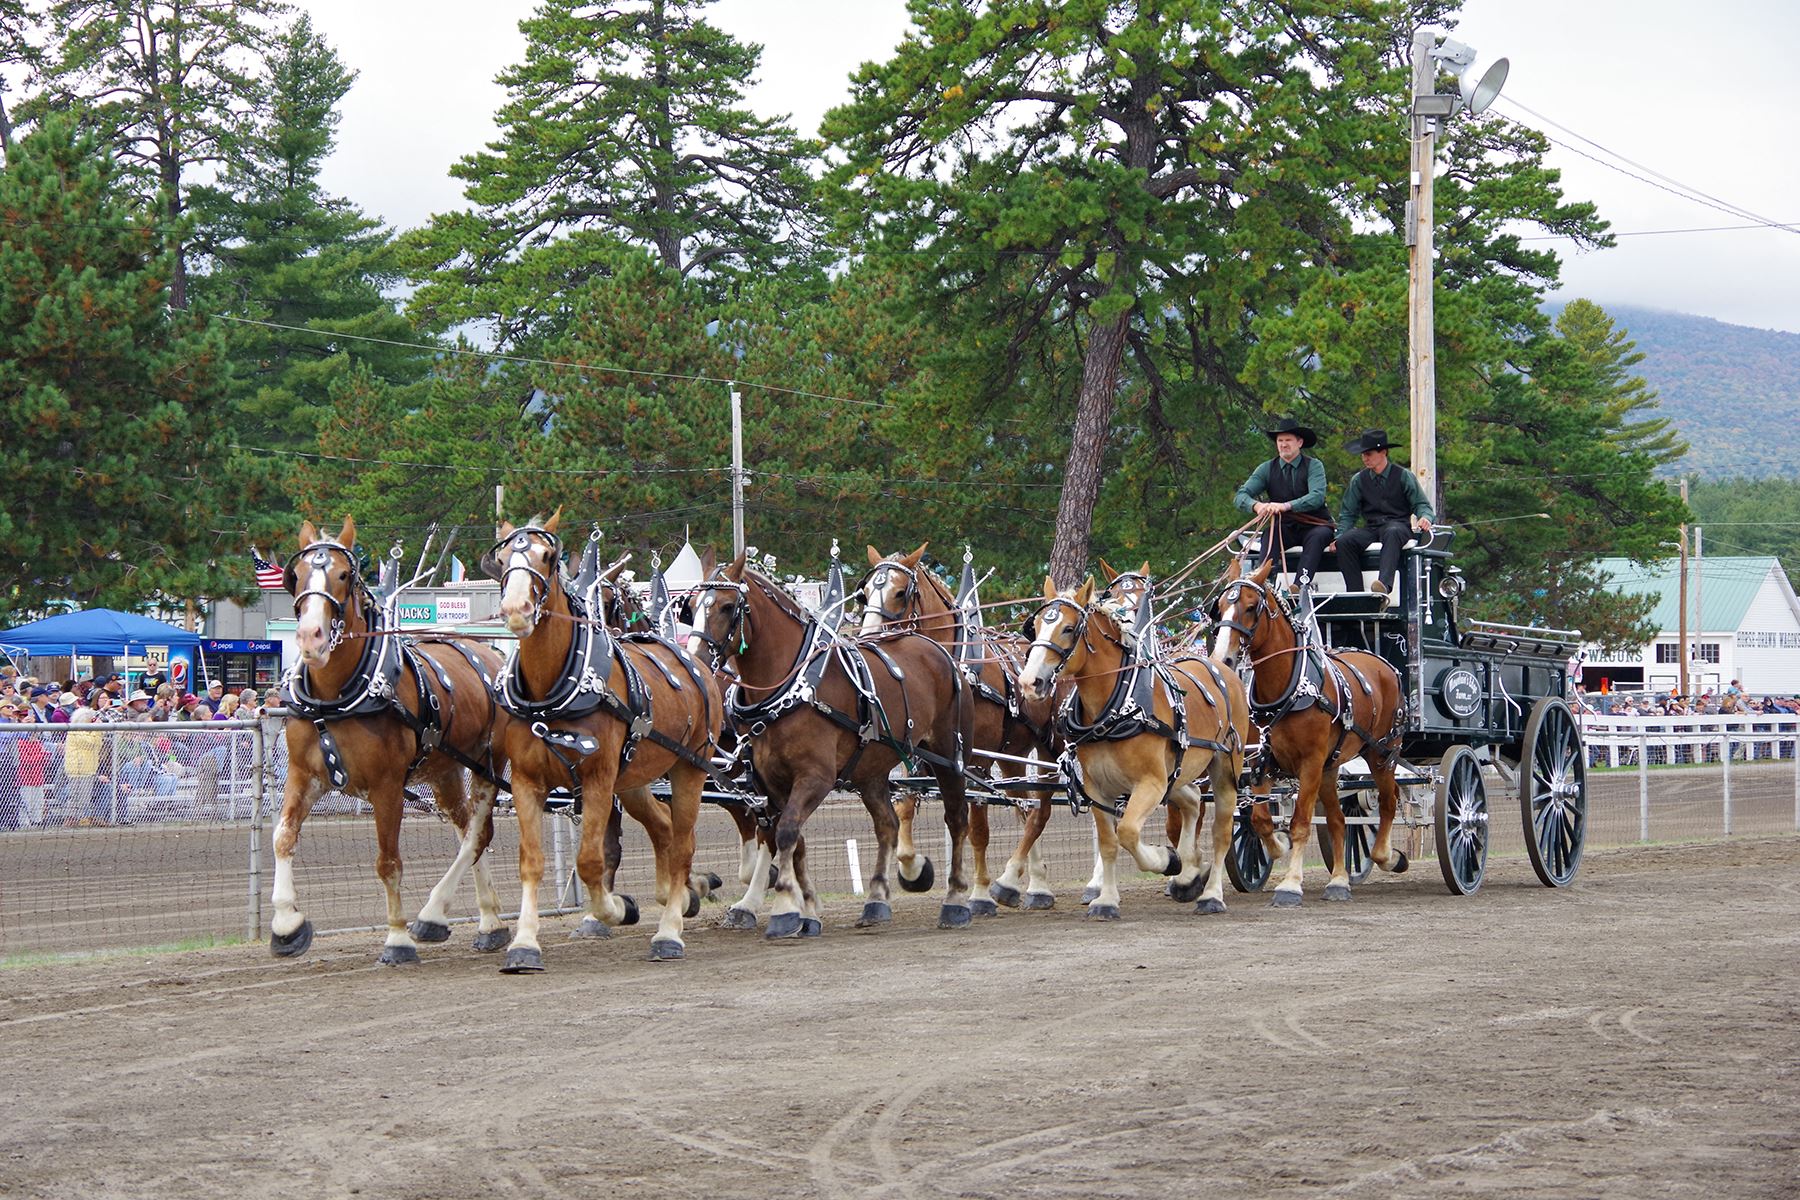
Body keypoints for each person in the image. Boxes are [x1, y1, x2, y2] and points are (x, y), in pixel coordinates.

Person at [1332, 428, 1435, 606]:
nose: (1365, 458)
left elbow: (1421, 504)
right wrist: (1339, 536)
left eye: (1369, 454)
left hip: (1399, 525)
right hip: (1372, 527)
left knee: (1393, 531)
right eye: (1363, 454)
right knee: (1345, 542)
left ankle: (1384, 586)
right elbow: (1348, 513)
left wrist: (1425, 517)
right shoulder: (1358, 480)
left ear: (1383, 452)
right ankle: (1355, 596)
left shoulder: (1403, 476)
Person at [1233, 415, 1333, 589]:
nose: (1283, 444)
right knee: (1269, 536)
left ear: (1299, 443)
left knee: (1318, 537)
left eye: (1288, 440)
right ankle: (1260, 582)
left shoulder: (1314, 466)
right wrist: (1257, 506)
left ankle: (1300, 585)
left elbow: (1317, 497)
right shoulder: (1266, 468)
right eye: (1280, 440)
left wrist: (1286, 506)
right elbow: (1241, 495)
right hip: (1284, 528)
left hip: (1315, 525)